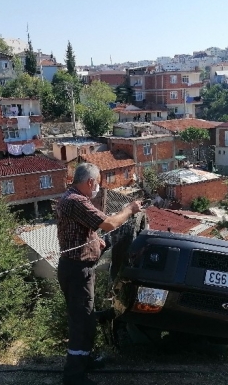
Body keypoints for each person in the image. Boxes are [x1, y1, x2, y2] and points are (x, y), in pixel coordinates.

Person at [56, 163, 142, 385]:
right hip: (77, 272)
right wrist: (130, 209)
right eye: (97, 184)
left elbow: (80, 233)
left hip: (77, 269)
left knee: (86, 317)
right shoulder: (76, 201)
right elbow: (109, 223)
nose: (96, 189)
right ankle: (73, 377)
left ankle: (85, 359)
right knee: (81, 322)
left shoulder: (68, 197)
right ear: (90, 182)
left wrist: (96, 243)